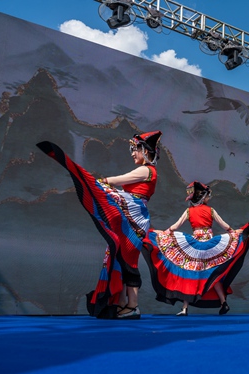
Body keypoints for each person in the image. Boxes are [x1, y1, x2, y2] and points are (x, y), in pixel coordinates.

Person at [37, 131, 163, 319]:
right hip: (133, 219)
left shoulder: (147, 170)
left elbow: (118, 180)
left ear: (145, 150)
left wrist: (99, 183)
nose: (132, 154)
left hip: (135, 220)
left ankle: (133, 306)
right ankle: (121, 304)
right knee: (120, 259)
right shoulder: (146, 171)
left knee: (128, 261)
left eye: (134, 149)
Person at [142, 181, 249, 316]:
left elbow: (175, 226)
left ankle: (184, 308)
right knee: (212, 274)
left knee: (190, 275)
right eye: (207, 196)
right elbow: (225, 226)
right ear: (203, 197)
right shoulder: (210, 210)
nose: (208, 198)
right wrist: (236, 232)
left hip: (194, 247)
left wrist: (163, 233)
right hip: (210, 247)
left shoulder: (189, 211)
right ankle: (224, 303)